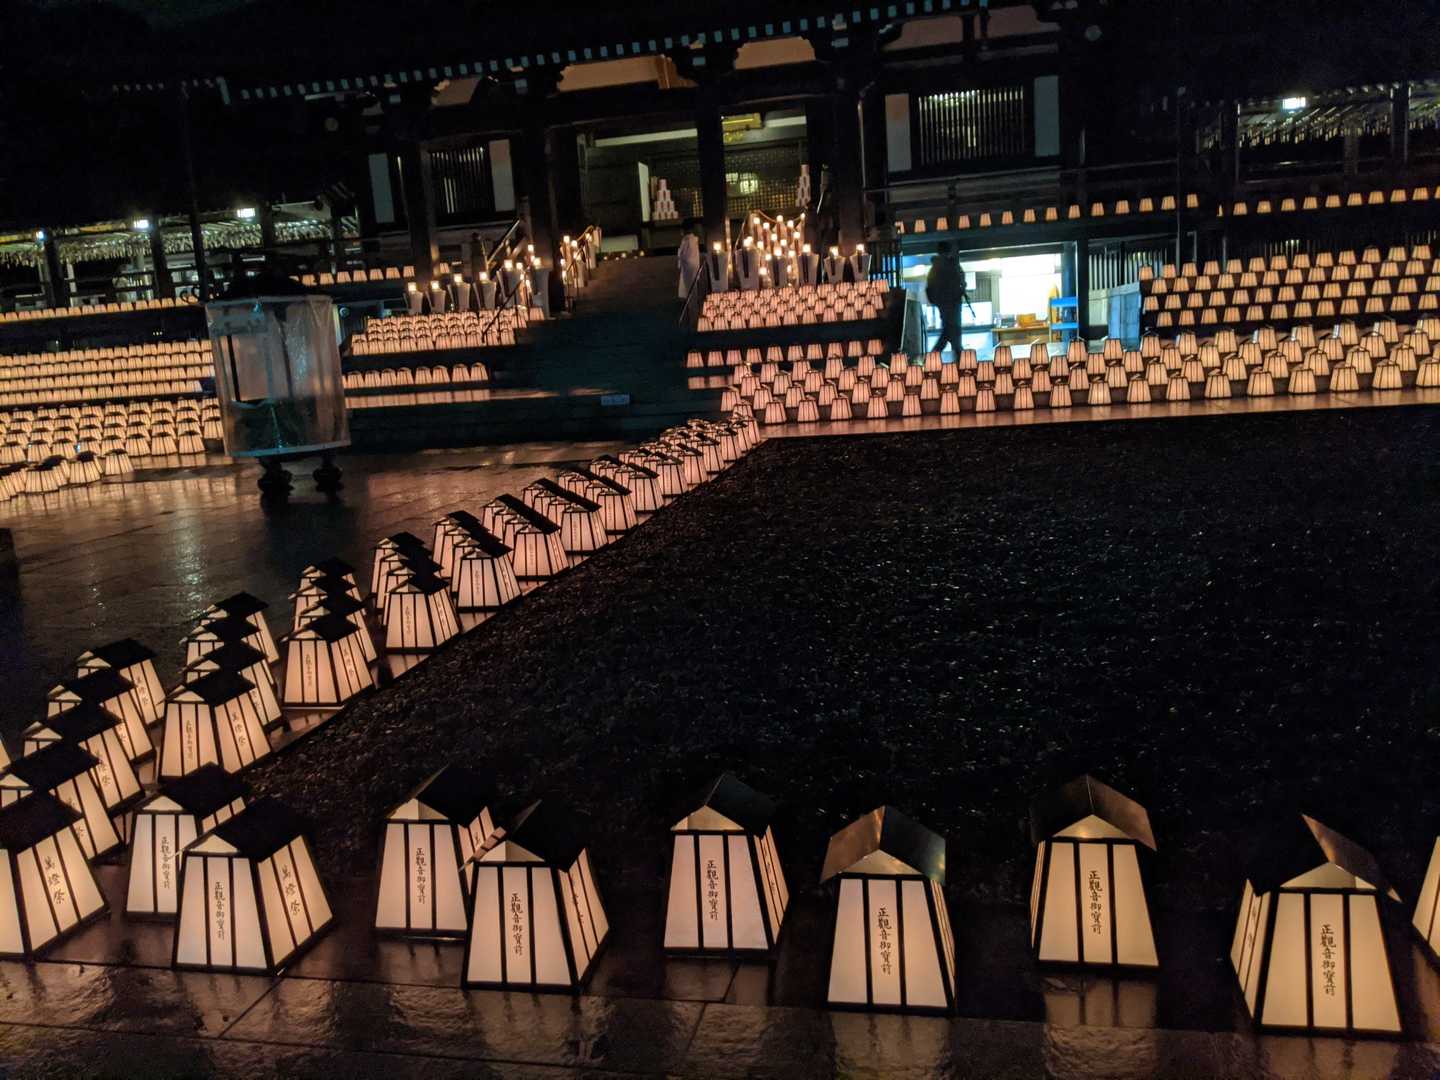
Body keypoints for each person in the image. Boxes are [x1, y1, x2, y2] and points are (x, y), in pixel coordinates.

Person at [926, 242, 965, 357]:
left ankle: (954, 353)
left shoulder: (934, 268)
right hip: (953, 303)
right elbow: (959, 282)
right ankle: (955, 354)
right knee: (952, 330)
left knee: (949, 330)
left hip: (943, 303)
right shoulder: (951, 266)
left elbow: (931, 288)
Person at [677, 230, 702, 300]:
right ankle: (694, 298)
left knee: (688, 284)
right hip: (694, 265)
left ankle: (690, 299)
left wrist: (679, 254)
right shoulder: (693, 240)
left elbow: (683, 254)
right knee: (694, 283)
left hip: (687, 266)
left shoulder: (686, 240)